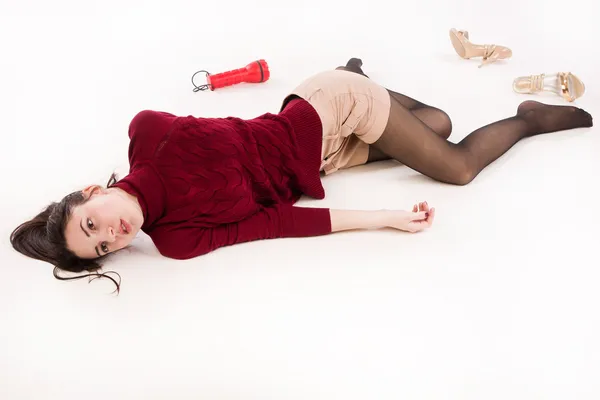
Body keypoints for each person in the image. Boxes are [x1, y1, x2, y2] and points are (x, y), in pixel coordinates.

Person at [10, 58, 593, 293]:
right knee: (436, 124)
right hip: (322, 161)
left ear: (93, 190)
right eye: (104, 247)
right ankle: (354, 69)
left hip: (322, 111)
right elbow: (278, 223)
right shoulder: (178, 241)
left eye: (93, 223)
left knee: (458, 167)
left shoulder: (149, 131)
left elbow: (235, 138)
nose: (114, 235)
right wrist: (384, 219)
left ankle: (528, 118)